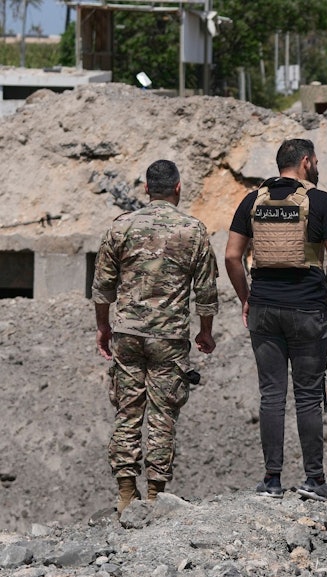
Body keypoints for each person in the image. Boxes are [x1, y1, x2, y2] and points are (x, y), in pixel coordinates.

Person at [224, 139, 327, 502]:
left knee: (271, 396)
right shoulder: (320, 201)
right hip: (307, 308)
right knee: (308, 396)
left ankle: (272, 480)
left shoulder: (253, 201)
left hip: (263, 307)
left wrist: (246, 297)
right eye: (317, 160)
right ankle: (314, 480)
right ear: (306, 162)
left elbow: (233, 256)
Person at [92, 159, 219, 512]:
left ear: (146, 189)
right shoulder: (193, 231)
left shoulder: (122, 227)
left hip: (127, 334)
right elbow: (206, 292)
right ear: (178, 188)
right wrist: (205, 332)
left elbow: (103, 287)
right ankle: (154, 495)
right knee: (163, 414)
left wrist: (104, 327)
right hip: (169, 338)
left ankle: (124, 494)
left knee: (127, 412)